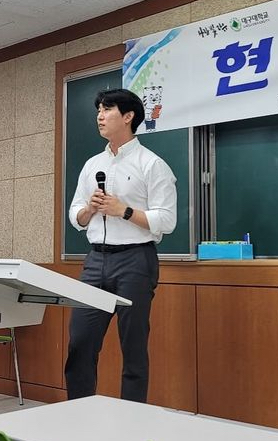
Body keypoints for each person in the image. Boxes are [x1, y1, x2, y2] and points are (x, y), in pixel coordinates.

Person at [65, 88, 177, 403]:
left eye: (107, 109)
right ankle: (76, 414)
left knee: (133, 348)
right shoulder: (92, 164)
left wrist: (123, 211)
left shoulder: (152, 164)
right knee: (80, 343)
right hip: (95, 261)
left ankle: (132, 420)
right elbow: (75, 214)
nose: (100, 116)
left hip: (135, 260)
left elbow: (167, 220)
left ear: (128, 117)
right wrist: (90, 209)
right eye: (99, 110)